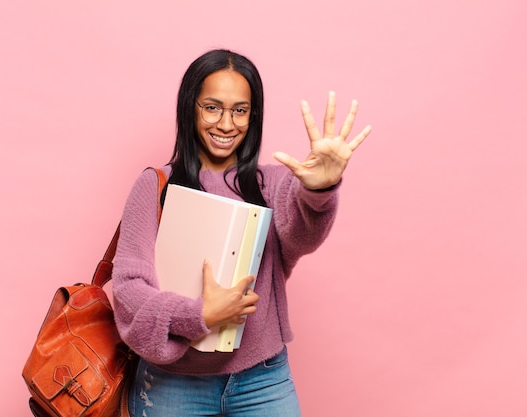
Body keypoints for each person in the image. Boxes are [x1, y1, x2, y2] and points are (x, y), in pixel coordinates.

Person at [112, 49, 372, 417]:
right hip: (173, 384)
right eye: (212, 107)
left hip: (263, 380)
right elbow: (128, 290)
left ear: (253, 116)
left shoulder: (274, 183)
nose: (226, 123)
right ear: (191, 108)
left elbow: (303, 234)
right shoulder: (155, 185)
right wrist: (198, 314)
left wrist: (318, 191)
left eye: (240, 110)